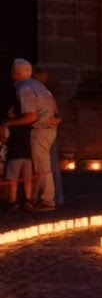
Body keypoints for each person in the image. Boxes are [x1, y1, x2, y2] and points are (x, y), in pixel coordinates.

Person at [3, 59, 58, 211]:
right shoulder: (37, 85)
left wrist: (8, 123)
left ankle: (47, 200)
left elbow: (31, 116)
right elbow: (53, 109)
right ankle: (36, 199)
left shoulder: (24, 88)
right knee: (40, 166)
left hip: (41, 130)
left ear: (16, 73)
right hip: (48, 129)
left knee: (42, 167)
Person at [33, 65, 63, 207]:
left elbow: (56, 112)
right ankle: (46, 197)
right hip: (47, 128)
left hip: (45, 129)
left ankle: (48, 198)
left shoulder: (44, 92)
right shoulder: (42, 92)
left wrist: (54, 119)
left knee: (45, 165)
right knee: (44, 165)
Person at [2, 104, 32, 208]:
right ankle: (28, 200)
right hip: (27, 155)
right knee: (27, 180)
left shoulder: (9, 125)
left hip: (14, 155)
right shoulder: (27, 126)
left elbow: (5, 139)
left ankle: (13, 201)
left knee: (13, 180)